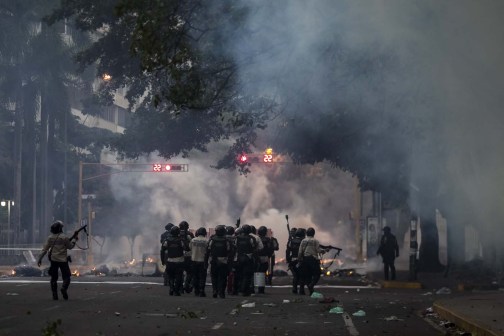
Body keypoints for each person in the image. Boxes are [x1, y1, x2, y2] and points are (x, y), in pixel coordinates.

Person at [37, 221, 78, 300]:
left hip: (54, 260)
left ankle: (54, 295)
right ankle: (63, 288)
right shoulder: (64, 237)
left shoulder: (50, 238)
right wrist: (75, 240)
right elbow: (70, 246)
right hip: (63, 260)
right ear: (60, 229)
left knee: (54, 278)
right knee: (67, 277)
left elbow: (44, 250)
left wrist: (40, 259)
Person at [160, 225, 189, 296]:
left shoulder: (167, 240)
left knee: (171, 276)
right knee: (179, 276)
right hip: (179, 261)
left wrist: (162, 261)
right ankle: (176, 291)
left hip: (170, 261)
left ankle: (171, 288)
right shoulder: (181, 240)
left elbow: (162, 250)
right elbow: (187, 248)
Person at [298, 227, 326, 295]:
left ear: (307, 233)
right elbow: (318, 250)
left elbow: (300, 252)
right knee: (317, 273)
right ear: (314, 233)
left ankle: (308, 291)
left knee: (307, 275)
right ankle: (311, 285)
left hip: (305, 259)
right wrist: (324, 251)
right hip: (313, 259)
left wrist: (300, 260)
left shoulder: (303, 241)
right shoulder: (315, 241)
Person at [206, 225, 232, 298]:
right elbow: (229, 252)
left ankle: (215, 290)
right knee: (223, 278)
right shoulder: (226, 240)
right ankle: (222, 292)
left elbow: (207, 251)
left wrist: (206, 262)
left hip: (214, 261)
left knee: (214, 277)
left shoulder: (212, 240)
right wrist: (230, 264)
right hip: (223, 261)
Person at [233, 224, 257, 296]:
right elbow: (254, 247)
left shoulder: (237, 238)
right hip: (248, 258)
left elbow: (235, 246)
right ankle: (244, 290)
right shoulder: (251, 238)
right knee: (247, 275)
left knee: (238, 275)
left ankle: (236, 290)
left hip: (239, 258)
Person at [190, 227, 209, 297]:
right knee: (202, 277)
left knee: (195, 276)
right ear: (204, 233)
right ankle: (201, 291)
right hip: (203, 261)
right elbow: (208, 251)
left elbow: (190, 248)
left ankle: (196, 291)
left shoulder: (193, 240)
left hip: (194, 260)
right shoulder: (207, 241)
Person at [286, 228, 305, 294]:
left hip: (293, 260)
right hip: (301, 260)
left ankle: (294, 288)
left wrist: (288, 260)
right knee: (302, 275)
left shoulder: (291, 241)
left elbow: (288, 251)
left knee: (295, 275)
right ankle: (301, 290)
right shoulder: (303, 241)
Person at [256, 226, 275, 293]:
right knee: (263, 272)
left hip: (257, 258)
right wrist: (268, 256)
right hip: (265, 257)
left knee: (258, 272)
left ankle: (259, 288)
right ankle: (261, 289)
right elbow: (271, 249)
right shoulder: (268, 240)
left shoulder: (256, 239)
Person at [179, 221, 194, 293]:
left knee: (179, 273)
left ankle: (180, 288)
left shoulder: (176, 234)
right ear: (187, 227)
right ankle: (186, 285)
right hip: (188, 256)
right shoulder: (190, 234)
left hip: (178, 256)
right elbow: (193, 244)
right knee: (190, 272)